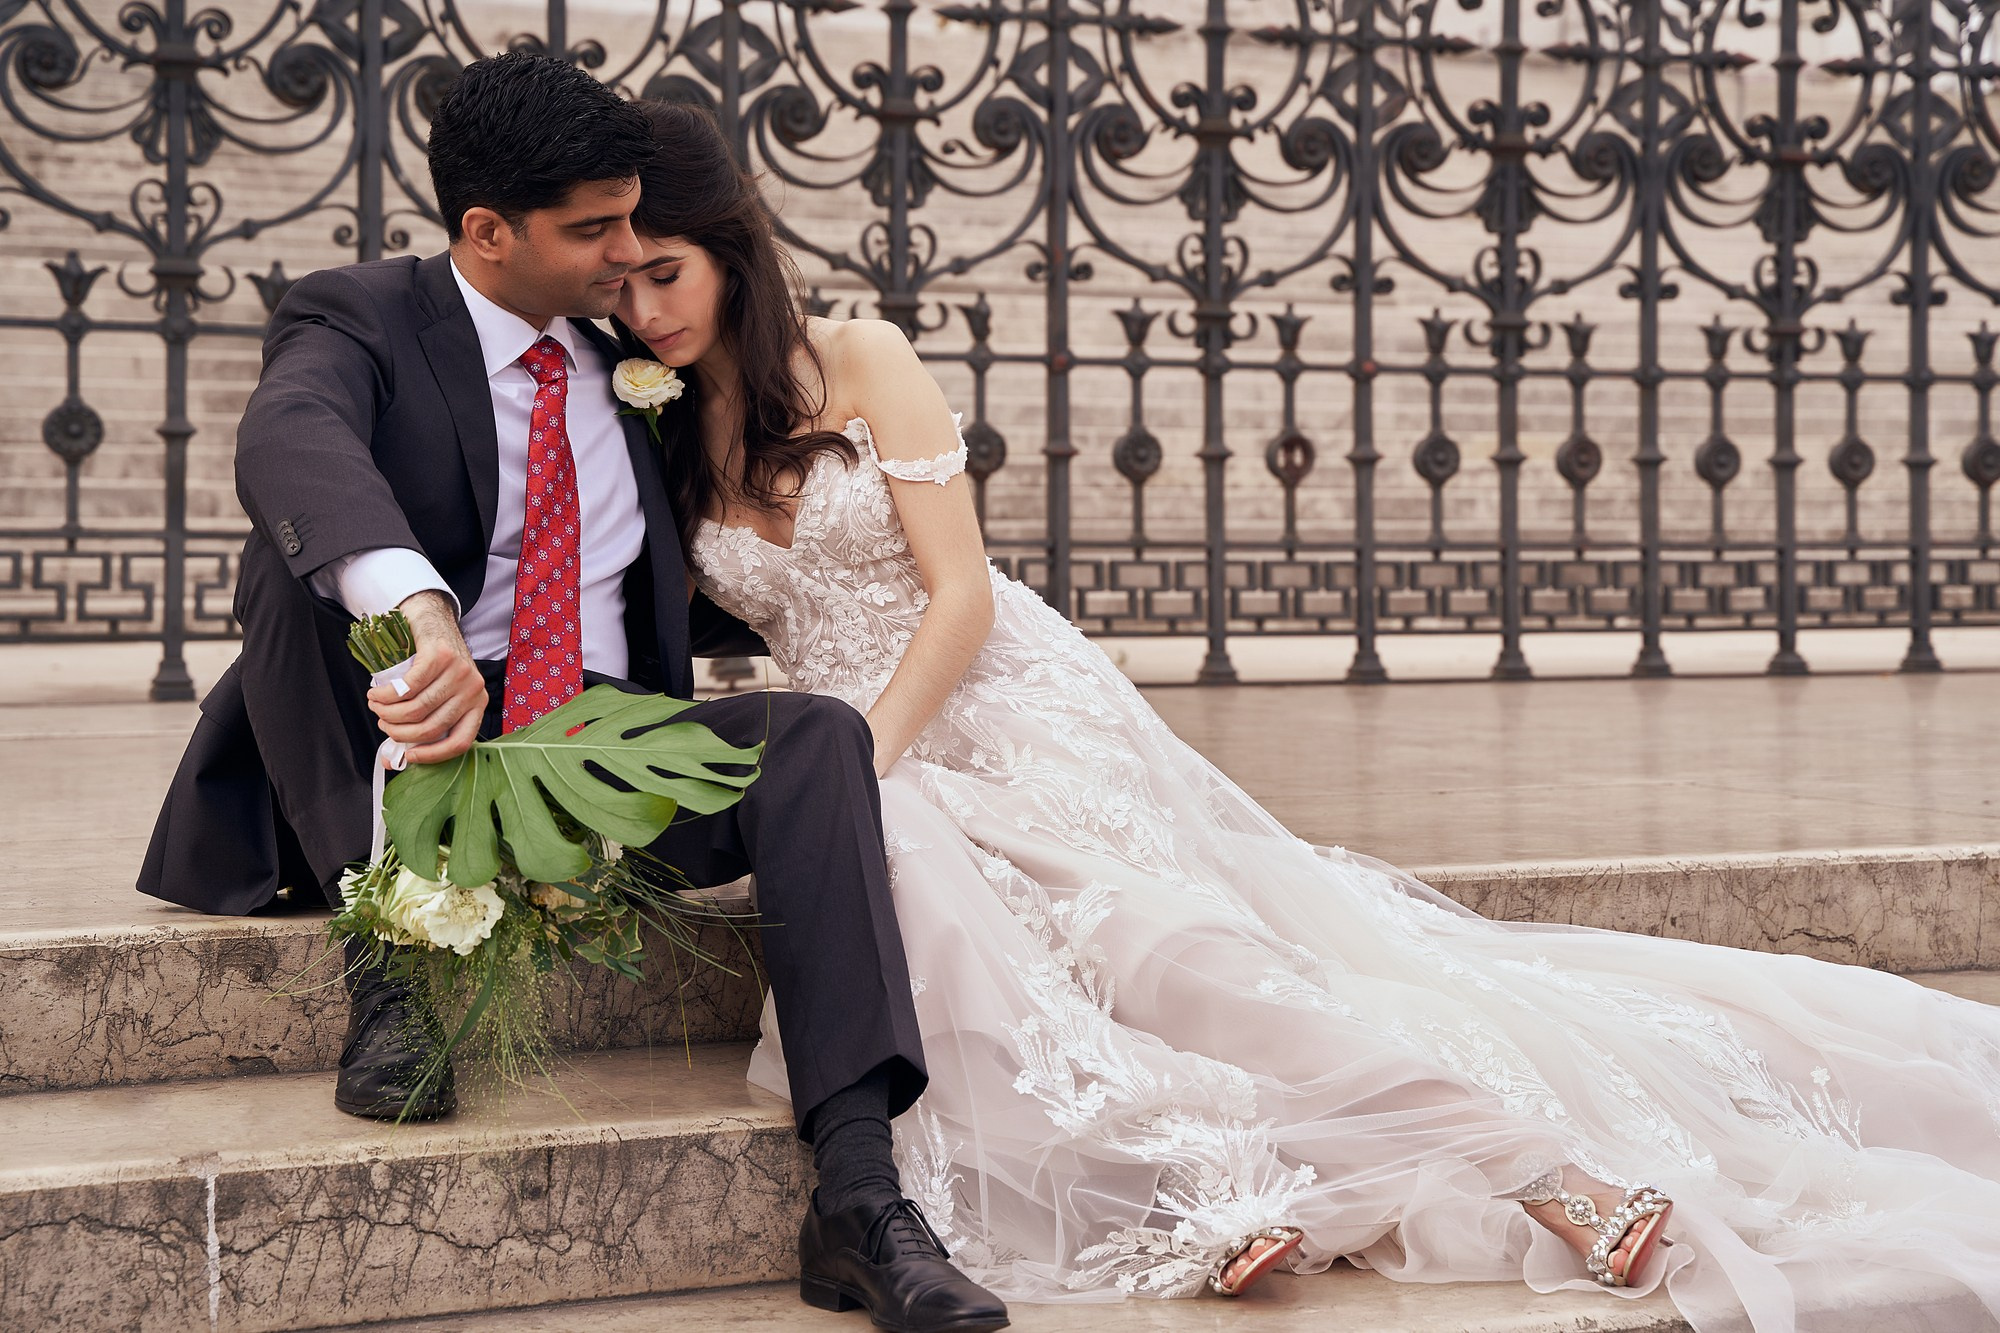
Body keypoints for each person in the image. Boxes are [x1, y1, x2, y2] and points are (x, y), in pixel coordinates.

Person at [613, 99, 2000, 1330]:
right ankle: (1198, 1181)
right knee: (939, 915)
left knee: (1173, 957)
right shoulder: (655, 434)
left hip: (990, 705)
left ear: (734, 246)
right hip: (860, 764)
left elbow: (961, 595)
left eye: (665, 271)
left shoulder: (861, 355)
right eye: (619, 287)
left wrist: (861, 757)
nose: (646, 310)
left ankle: (1543, 1167)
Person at [137, 54, 1006, 1333]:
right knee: (295, 563)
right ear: (489, 231)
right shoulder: (361, 316)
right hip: (413, 732)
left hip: (602, 742)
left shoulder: (637, 359)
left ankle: (862, 1199)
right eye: (595, 230)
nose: (626, 255)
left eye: (634, 226)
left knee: (817, 736)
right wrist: (420, 611)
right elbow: (290, 439)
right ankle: (392, 956)